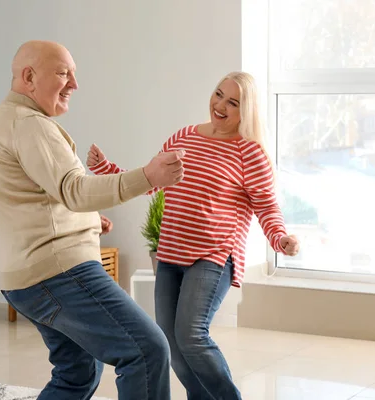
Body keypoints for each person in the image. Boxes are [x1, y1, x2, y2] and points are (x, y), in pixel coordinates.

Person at [0, 40, 185, 400]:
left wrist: (86, 220)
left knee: (77, 373)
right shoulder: (29, 125)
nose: (74, 84)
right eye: (63, 73)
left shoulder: (6, 121)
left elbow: (34, 197)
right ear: (29, 77)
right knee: (146, 350)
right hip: (58, 273)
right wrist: (148, 176)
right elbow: (74, 189)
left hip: (27, 277)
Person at [86, 71, 300, 399]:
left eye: (233, 102)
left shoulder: (249, 152)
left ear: (247, 111)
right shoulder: (184, 136)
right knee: (171, 342)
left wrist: (279, 237)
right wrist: (107, 170)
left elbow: (266, 206)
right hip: (170, 252)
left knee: (191, 336)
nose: (221, 105)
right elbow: (151, 179)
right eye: (218, 95)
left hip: (213, 256)